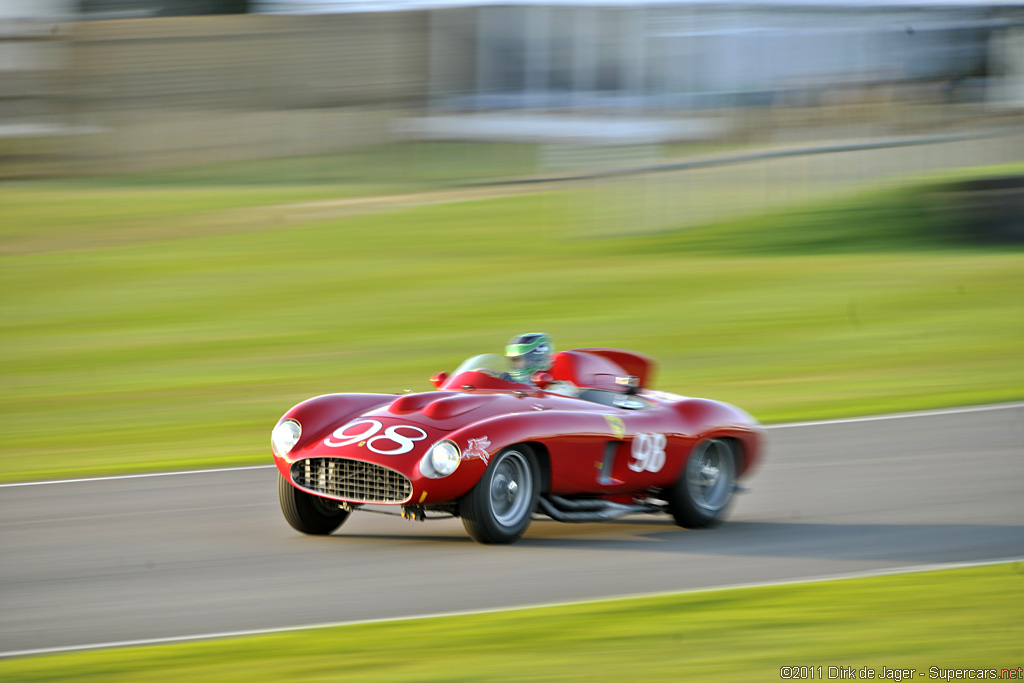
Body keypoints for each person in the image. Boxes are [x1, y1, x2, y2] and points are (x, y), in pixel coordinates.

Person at [504, 333, 580, 397]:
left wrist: (530, 391)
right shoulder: (511, 383)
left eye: (520, 360)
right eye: (514, 360)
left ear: (536, 358)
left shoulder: (562, 387)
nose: (516, 365)